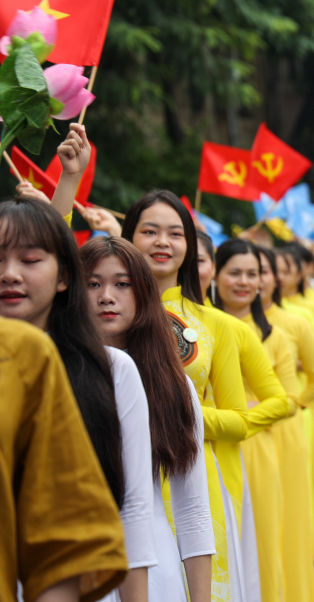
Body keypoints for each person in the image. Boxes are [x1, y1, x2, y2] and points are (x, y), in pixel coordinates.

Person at [0, 197, 153, 602]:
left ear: (64, 276)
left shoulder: (113, 370)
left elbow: (135, 508)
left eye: (30, 260)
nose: (9, 275)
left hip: (83, 584)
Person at [122, 191, 248, 602]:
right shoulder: (101, 311)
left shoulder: (217, 325)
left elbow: (238, 419)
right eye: (150, 231)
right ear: (128, 237)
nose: (163, 242)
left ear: (190, 246)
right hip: (117, 468)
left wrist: (181, 413)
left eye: (175, 233)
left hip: (189, 478)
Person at [80, 236, 215, 602]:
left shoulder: (173, 385)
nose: (106, 296)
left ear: (143, 294)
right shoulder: (50, 372)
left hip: (155, 570)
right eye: (92, 283)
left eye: (122, 284)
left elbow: (193, 508)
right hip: (67, 564)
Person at [212, 239, 297, 602]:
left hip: (255, 448)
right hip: (206, 445)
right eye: (235, 273)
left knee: (258, 542)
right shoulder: (198, 326)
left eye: (253, 274)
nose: (244, 282)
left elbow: (289, 400)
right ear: (213, 275)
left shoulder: (272, 336)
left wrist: (239, 419)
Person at [254, 245, 314, 602]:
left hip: (286, 427)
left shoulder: (295, 322)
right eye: (240, 272)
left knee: (289, 518)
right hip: (237, 432)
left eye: (262, 272)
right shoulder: (217, 324)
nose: (254, 281)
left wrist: (291, 407)